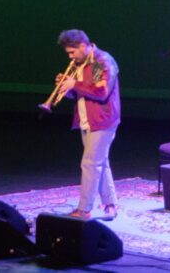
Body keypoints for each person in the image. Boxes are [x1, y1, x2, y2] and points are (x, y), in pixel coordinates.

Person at [54, 29, 120, 221]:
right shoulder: (80, 63)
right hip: (87, 119)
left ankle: (84, 210)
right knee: (100, 162)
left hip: (102, 120)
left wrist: (74, 84)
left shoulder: (99, 61)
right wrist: (66, 87)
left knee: (90, 164)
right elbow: (80, 93)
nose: (70, 57)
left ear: (83, 46)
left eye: (72, 52)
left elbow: (100, 92)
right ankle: (111, 205)